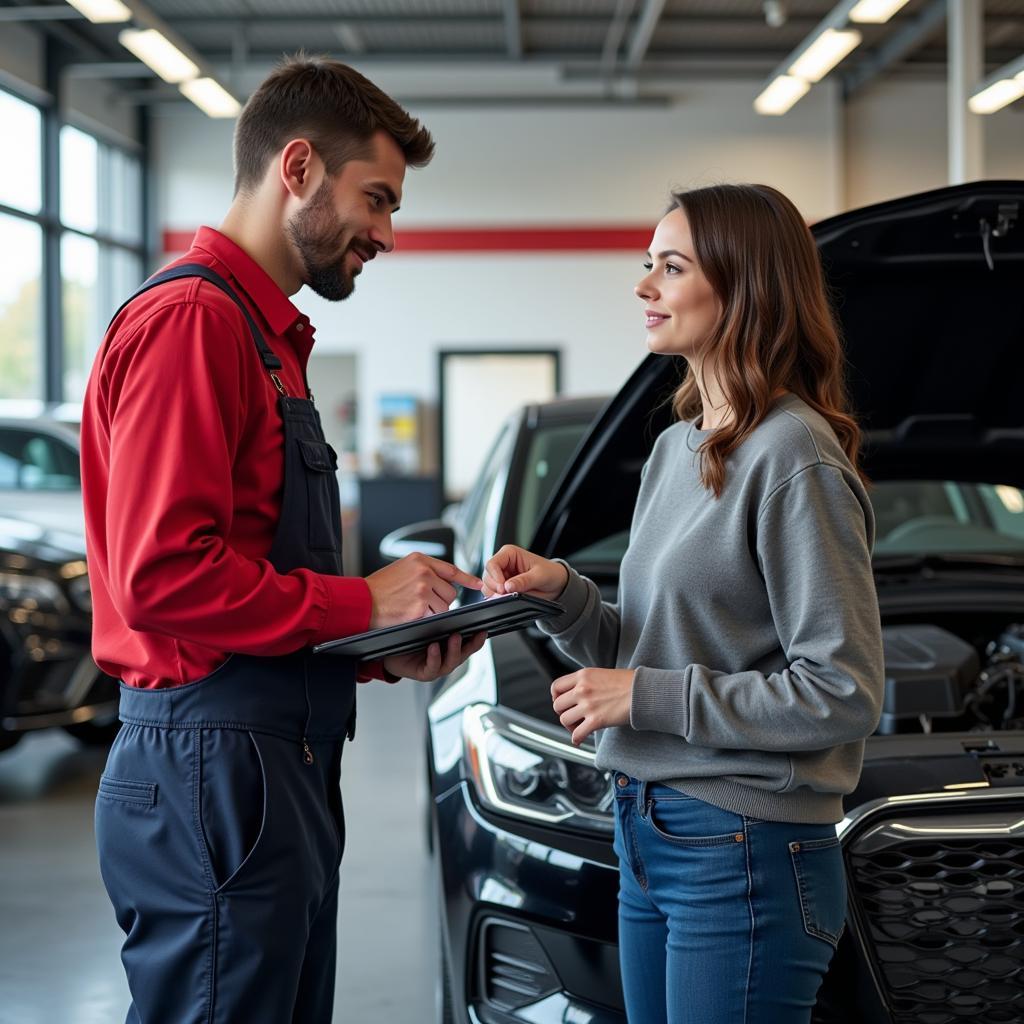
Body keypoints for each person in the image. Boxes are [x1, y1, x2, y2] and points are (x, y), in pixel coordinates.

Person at [81, 55, 485, 1023]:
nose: (386, 233)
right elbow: (163, 577)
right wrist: (363, 600)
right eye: (376, 199)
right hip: (213, 770)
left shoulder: (265, 339)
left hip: (267, 762)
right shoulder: (194, 323)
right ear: (297, 166)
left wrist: (382, 647)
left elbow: (251, 579)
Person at [482, 183, 885, 1024]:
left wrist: (647, 697)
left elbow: (843, 690)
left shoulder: (793, 456)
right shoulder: (676, 450)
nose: (644, 287)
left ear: (743, 288)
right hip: (645, 828)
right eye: (647, 265)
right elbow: (645, 647)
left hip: (743, 850)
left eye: (671, 267)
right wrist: (565, 595)